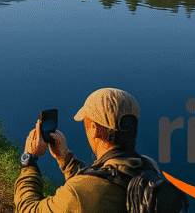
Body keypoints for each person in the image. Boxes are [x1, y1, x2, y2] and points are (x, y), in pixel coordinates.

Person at [15, 88, 157, 213]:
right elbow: (98, 184)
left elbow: (27, 208)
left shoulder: (78, 193)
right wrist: (65, 158)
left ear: (94, 129)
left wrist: (29, 159)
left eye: (87, 123)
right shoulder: (148, 167)